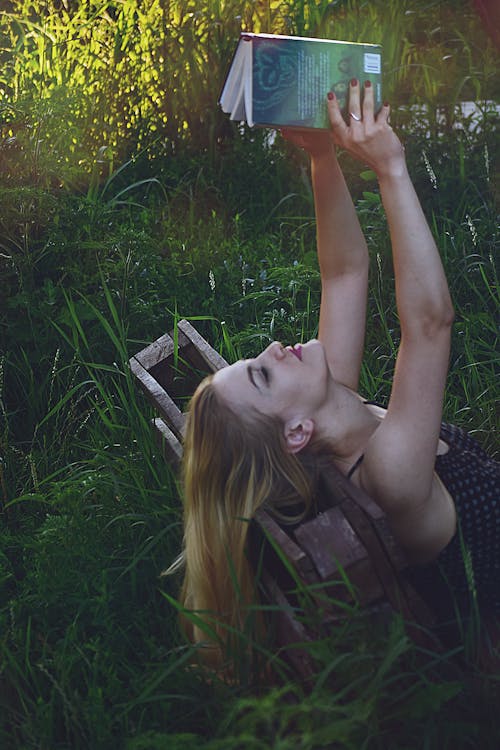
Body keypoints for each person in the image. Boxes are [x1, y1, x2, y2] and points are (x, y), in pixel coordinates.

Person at [172, 80, 499, 668]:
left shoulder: (331, 412)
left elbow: (344, 273)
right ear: (295, 433)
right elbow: (430, 323)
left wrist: (321, 155)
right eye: (263, 377)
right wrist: (390, 166)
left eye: (255, 361)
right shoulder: (392, 474)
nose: (273, 347)